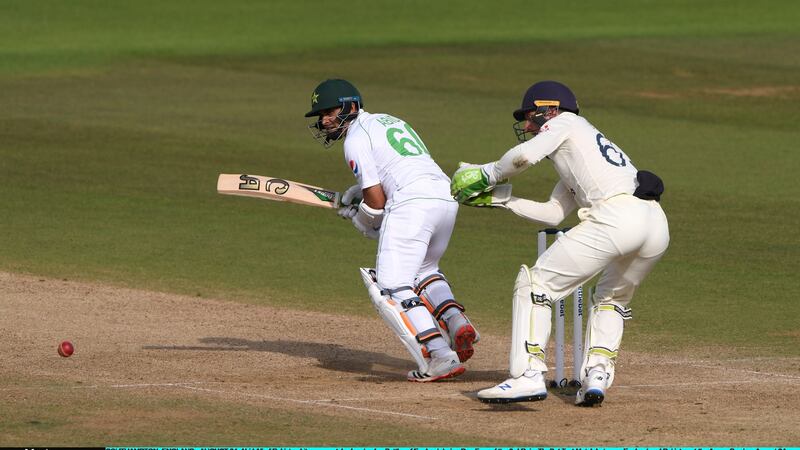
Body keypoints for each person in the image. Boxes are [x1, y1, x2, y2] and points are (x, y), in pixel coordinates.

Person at [450, 80, 669, 406]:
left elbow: (523, 156)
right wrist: (499, 201)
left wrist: (487, 174)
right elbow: (553, 214)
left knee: (535, 284)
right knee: (611, 298)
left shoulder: (564, 123)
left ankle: (527, 375)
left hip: (618, 217)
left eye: (529, 116)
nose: (526, 125)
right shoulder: (581, 150)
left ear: (549, 109)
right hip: (655, 226)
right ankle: (597, 374)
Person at [305, 78, 480, 382]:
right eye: (321, 116)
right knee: (424, 269)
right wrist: (356, 195)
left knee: (392, 286)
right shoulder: (388, 120)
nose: (324, 120)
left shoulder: (354, 139)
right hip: (445, 197)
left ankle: (440, 356)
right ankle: (456, 321)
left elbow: (375, 203)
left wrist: (359, 219)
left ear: (350, 106)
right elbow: (391, 173)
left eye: (328, 112)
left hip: (413, 203)